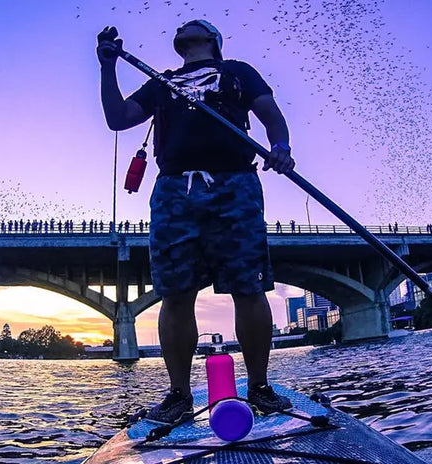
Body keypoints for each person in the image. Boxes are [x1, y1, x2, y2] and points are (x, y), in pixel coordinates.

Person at [97, 20, 294, 424]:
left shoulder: (238, 72)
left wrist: (281, 147)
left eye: (195, 25)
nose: (183, 25)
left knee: (249, 286)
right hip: (174, 191)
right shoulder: (160, 83)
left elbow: (272, 115)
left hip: (235, 185)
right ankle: (178, 396)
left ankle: (258, 386)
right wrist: (107, 66)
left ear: (212, 41)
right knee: (175, 292)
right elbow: (117, 118)